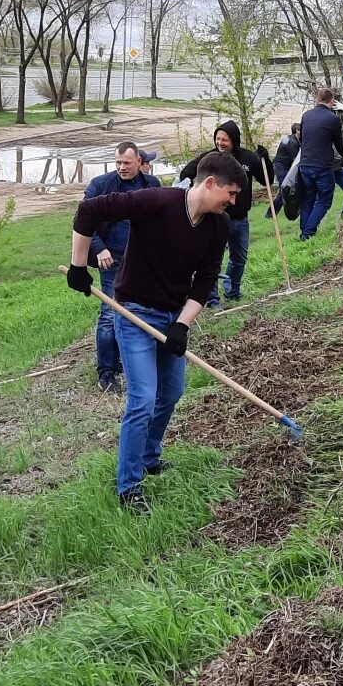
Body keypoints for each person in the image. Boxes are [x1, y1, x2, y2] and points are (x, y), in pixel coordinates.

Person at [68, 150, 249, 513]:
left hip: (171, 316)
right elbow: (89, 211)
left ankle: (150, 455)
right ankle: (129, 486)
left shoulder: (218, 226)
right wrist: (78, 266)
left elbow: (206, 282)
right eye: (230, 193)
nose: (232, 202)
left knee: (172, 391)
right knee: (143, 399)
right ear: (209, 183)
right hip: (133, 311)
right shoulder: (157, 200)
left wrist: (183, 323)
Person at [80, 142, 160, 393]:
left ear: (139, 161)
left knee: (140, 311)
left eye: (126, 163)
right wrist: (98, 248)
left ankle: (133, 361)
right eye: (118, 163)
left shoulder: (152, 185)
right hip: (111, 258)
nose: (122, 168)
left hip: (142, 258)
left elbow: (160, 219)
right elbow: (82, 220)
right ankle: (106, 372)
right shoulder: (101, 185)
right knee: (110, 313)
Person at [178, 120, 271, 304]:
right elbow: (186, 173)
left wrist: (264, 160)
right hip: (215, 218)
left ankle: (232, 291)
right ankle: (211, 299)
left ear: (234, 141)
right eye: (217, 139)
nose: (220, 143)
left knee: (240, 257)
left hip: (240, 219)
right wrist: (195, 193)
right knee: (213, 260)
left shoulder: (247, 158)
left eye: (224, 140)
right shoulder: (210, 159)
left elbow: (266, 179)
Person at [296, 87, 343, 239]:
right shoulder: (333, 119)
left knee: (308, 199)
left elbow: (302, 140)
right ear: (332, 102)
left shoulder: (306, 116)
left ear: (317, 100)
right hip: (322, 166)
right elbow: (338, 143)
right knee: (324, 200)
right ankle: (308, 233)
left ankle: (304, 230)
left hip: (305, 164)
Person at [268, 121, 302, 218]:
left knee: (286, 189)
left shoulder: (296, 140)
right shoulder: (292, 142)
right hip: (280, 167)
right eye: (301, 130)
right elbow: (295, 160)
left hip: (286, 166)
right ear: (297, 131)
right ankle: (271, 213)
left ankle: (273, 212)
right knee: (285, 189)